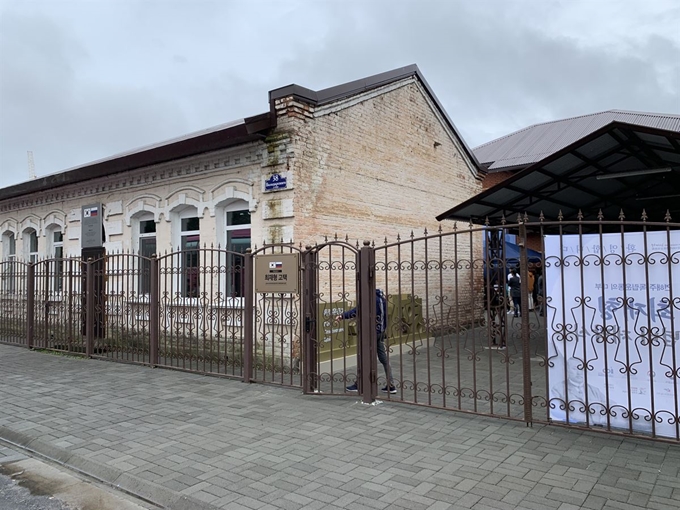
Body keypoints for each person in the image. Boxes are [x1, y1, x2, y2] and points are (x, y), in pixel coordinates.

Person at [335, 289, 396, 394]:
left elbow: (357, 311)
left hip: (371, 333)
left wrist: (342, 316)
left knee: (364, 357)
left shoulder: (371, 300)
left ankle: (360, 384)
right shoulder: (382, 299)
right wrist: (382, 329)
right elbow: (385, 317)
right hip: (380, 332)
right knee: (383, 358)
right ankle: (391, 385)